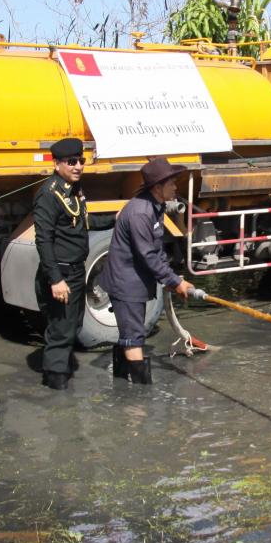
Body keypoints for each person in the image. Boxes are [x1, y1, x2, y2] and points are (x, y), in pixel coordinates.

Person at [99, 157, 193, 385]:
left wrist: (172, 279)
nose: (175, 187)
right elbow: (147, 255)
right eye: (171, 183)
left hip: (134, 280)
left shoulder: (154, 206)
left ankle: (121, 390)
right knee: (134, 339)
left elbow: (156, 248)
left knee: (130, 336)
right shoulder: (141, 212)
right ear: (158, 187)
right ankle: (141, 402)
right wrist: (176, 282)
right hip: (126, 283)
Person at [31, 137, 88, 390]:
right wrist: (56, 279)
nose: (78, 166)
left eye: (81, 161)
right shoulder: (49, 194)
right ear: (57, 164)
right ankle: (56, 392)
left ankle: (60, 379)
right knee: (61, 333)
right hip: (62, 273)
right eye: (71, 162)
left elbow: (79, 225)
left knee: (72, 326)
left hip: (75, 270)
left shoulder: (72, 190)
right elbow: (43, 239)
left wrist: (114, 219)